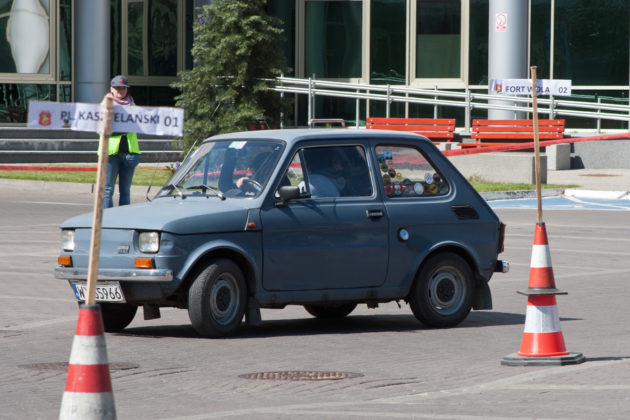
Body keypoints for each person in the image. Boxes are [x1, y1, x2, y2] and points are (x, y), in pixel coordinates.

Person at [102, 75, 140, 208]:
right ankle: (106, 220)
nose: (120, 91)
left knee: (125, 192)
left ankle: (122, 222)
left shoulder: (132, 104)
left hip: (129, 153)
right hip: (111, 153)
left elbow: (137, 125)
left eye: (123, 88)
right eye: (117, 88)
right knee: (107, 190)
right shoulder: (106, 104)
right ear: (111, 89)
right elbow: (102, 127)